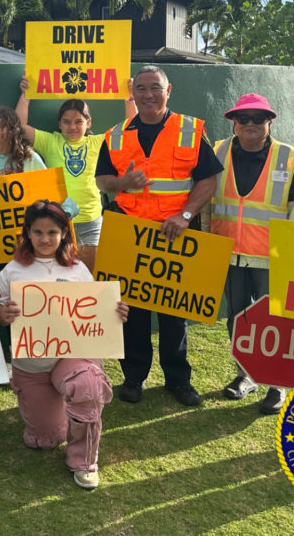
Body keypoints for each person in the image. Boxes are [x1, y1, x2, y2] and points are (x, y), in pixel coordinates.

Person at [94, 66, 223, 407]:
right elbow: (103, 182)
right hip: (131, 231)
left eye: (155, 88)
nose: (148, 94)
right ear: (132, 93)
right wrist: (124, 183)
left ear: (169, 91)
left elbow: (208, 180)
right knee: (131, 310)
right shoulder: (116, 135)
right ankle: (133, 377)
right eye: (141, 89)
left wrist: (184, 215)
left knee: (173, 313)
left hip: (175, 233)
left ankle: (178, 380)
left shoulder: (191, 130)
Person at [0, 199, 129, 490]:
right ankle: (56, 416)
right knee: (45, 439)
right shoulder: (11, 270)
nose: (44, 239)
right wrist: (5, 313)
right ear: (27, 233)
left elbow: (94, 310)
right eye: (37, 232)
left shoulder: (78, 269)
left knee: (88, 385)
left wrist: (114, 312)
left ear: (64, 233)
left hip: (73, 355)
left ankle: (84, 460)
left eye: (52, 232)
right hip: (32, 363)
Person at [202, 94, 294, 415]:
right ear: (233, 122)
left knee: (273, 321)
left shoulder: (287, 157)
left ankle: (277, 386)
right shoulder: (218, 152)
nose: (250, 124)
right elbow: (208, 202)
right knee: (238, 319)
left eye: (258, 118)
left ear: (270, 122)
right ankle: (245, 375)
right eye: (243, 118)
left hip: (271, 257)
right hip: (229, 253)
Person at [16, 76, 134, 273]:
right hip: (56, 222)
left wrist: (129, 98)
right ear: (59, 124)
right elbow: (19, 127)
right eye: (67, 122)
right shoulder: (50, 141)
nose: (72, 127)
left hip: (90, 221)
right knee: (57, 278)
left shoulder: (98, 142)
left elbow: (130, 130)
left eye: (78, 121)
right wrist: (26, 95)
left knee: (86, 278)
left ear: (88, 123)